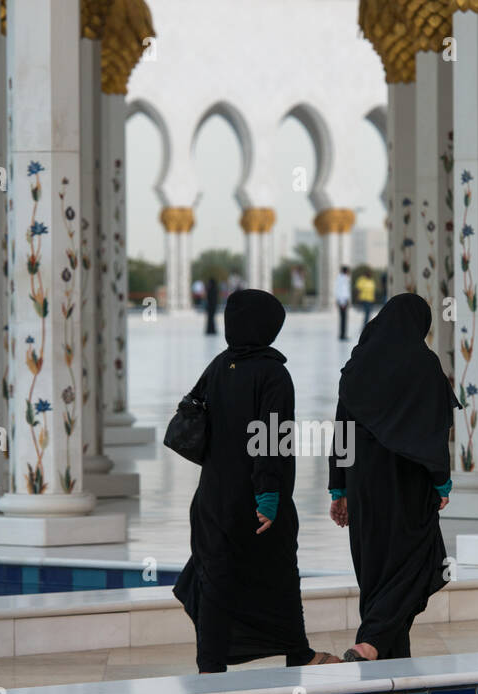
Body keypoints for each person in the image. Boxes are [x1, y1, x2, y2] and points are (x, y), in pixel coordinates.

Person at [174, 288, 340, 672]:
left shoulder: (219, 365)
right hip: (255, 501)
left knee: (216, 578)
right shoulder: (273, 374)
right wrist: (268, 495)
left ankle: (211, 664)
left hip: (212, 498)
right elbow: (271, 440)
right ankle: (298, 653)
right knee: (278, 573)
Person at [328, 292, 459, 662]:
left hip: (363, 483)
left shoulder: (358, 365)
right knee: (420, 562)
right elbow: (436, 427)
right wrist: (441, 481)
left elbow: (342, 431)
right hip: (410, 484)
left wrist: (338, 488)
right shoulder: (424, 364)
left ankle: (389, 656)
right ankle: (369, 643)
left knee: (376, 566)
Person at [335, 264, 351, 341]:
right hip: (343, 301)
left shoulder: (342, 278)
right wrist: (342, 302)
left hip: (343, 301)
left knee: (343, 319)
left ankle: (343, 334)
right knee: (343, 319)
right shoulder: (342, 279)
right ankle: (342, 335)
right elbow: (342, 291)